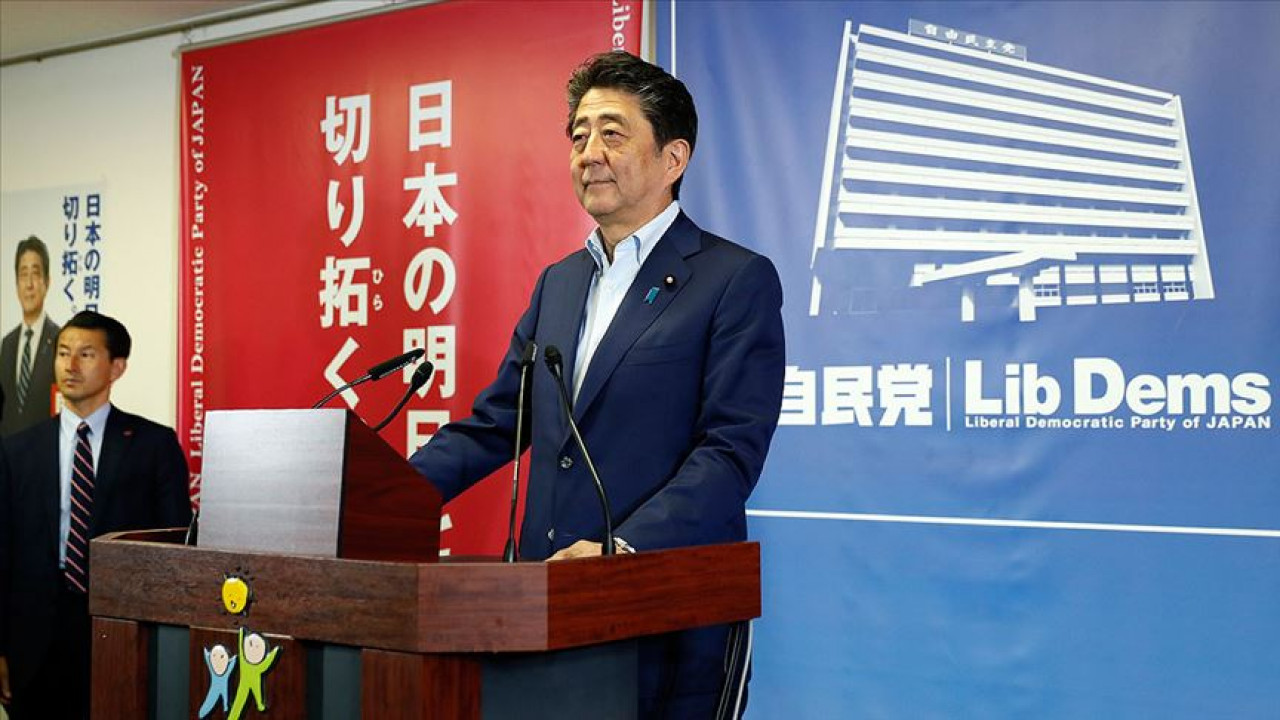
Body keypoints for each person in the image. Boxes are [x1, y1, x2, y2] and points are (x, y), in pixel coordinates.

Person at [410, 51, 785, 718]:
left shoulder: (733, 280)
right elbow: (500, 422)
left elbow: (729, 452)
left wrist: (622, 549)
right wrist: (381, 499)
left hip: (665, 613)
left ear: (673, 159)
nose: (589, 154)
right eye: (578, 135)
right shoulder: (560, 282)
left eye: (612, 133)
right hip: (546, 609)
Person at [0, 311, 192, 719]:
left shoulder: (153, 445)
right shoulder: (17, 450)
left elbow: (176, 547)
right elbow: (2, 552)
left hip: (121, 631)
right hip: (33, 637)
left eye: (86, 354)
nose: (70, 365)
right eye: (63, 352)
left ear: (116, 367)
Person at [1, 237, 60, 437]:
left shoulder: (60, 341)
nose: (29, 284)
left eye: (35, 274)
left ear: (47, 282)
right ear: (16, 284)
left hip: (44, 452)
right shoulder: (7, 344)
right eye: (23, 275)